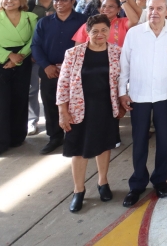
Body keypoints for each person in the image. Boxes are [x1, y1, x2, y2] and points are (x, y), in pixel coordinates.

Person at [119, 0, 167, 207]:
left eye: (159, 8)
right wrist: (123, 91)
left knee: (163, 139)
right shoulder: (134, 33)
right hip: (138, 95)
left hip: (165, 94)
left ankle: (160, 180)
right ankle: (137, 184)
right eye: (151, 8)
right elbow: (124, 65)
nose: (154, 12)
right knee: (139, 140)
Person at [56, 14, 125, 213]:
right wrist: (63, 111)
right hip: (78, 109)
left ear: (110, 32)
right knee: (78, 150)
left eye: (104, 30)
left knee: (104, 146)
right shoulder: (74, 53)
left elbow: (122, 81)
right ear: (87, 32)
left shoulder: (116, 53)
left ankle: (103, 182)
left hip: (105, 107)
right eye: (95, 31)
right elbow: (63, 84)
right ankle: (78, 190)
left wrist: (121, 104)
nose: (100, 34)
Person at [0, 0, 38, 158]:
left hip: (22, 58)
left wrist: (17, 58)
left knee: (20, 97)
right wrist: (8, 56)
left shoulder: (31, 18)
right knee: (1, 100)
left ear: (22, 2)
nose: (10, 1)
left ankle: (16, 137)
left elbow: (33, 40)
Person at [31, 0, 88, 155]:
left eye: (64, 0)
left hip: (76, 71)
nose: (59, 3)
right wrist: (46, 65)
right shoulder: (44, 22)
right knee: (50, 104)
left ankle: (77, 137)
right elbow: (35, 46)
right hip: (50, 70)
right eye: (56, 0)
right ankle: (55, 137)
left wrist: (72, 67)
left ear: (73, 1)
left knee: (77, 104)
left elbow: (88, 44)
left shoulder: (83, 21)